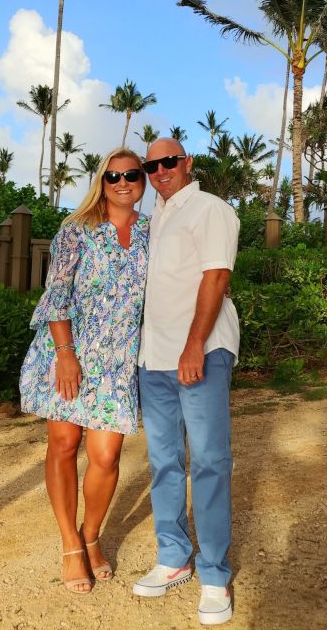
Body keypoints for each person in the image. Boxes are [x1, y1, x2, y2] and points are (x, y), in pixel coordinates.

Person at [20, 148, 149, 594]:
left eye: (131, 174)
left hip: (118, 361)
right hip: (69, 351)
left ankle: (90, 534)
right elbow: (56, 294)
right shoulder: (76, 230)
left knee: (106, 455)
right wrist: (66, 354)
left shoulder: (152, 232)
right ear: (102, 181)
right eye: (113, 176)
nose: (122, 182)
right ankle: (70, 543)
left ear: (143, 180)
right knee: (63, 444)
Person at [132, 138, 240, 626]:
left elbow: (216, 277)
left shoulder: (210, 209)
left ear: (187, 163)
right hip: (153, 357)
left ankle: (215, 575)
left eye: (169, 161)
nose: (160, 170)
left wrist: (195, 345)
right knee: (164, 461)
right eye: (151, 165)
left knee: (210, 462)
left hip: (199, 352)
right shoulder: (154, 216)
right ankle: (174, 557)